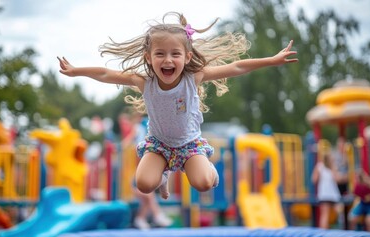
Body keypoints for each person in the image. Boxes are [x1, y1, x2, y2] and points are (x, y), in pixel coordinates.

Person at [58, 12, 298, 200]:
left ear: (187, 57)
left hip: (189, 144)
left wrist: (271, 60)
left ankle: (209, 170)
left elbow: (236, 67)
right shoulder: (143, 81)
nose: (168, 60)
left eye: (175, 54)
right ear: (148, 57)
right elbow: (106, 73)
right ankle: (162, 176)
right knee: (143, 184)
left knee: (203, 184)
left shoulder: (193, 78)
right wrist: (76, 71)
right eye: (160, 54)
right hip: (158, 145)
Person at [119, 110, 173, 230]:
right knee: (148, 196)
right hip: (133, 178)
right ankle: (156, 215)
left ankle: (141, 219)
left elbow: (128, 142)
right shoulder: (140, 129)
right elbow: (127, 143)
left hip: (139, 170)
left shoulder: (141, 129)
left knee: (148, 197)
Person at [311, 151, 342, 229]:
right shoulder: (332, 167)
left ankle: (324, 233)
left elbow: (314, 179)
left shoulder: (319, 166)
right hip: (333, 194)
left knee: (324, 215)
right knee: (339, 212)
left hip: (324, 194)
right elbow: (337, 179)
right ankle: (341, 229)